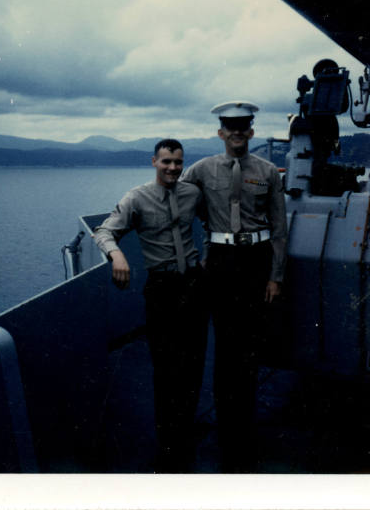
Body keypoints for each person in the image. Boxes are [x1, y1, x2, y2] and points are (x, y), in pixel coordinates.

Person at [181, 101, 288, 473]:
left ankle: (243, 429)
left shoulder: (268, 172)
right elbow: (175, 197)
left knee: (249, 347)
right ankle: (229, 431)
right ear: (221, 132)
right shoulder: (202, 169)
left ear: (252, 131)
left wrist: (275, 276)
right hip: (221, 262)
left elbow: (279, 228)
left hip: (256, 261)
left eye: (244, 126)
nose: (238, 132)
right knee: (225, 347)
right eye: (231, 126)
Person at [93, 139, 209, 473]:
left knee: (194, 363)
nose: (173, 168)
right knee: (166, 368)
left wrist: (209, 256)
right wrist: (116, 254)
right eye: (166, 162)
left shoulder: (192, 194)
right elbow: (104, 232)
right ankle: (168, 442)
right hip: (163, 290)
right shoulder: (136, 198)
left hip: (193, 285)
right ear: (154, 162)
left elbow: (213, 219)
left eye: (178, 162)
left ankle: (185, 429)